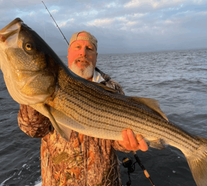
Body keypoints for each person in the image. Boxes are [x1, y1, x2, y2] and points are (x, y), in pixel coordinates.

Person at [18, 31, 148, 186]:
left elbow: (116, 139)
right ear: (68, 54)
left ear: (96, 56)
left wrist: (126, 144)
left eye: (89, 48)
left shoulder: (112, 87)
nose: (83, 52)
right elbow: (34, 130)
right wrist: (34, 94)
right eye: (77, 47)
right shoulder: (50, 81)